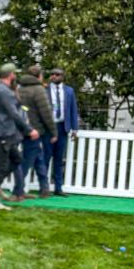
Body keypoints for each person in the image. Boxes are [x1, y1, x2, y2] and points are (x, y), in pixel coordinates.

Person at [0, 63, 39, 211]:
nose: (15, 76)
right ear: (11, 75)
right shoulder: (5, 92)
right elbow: (14, 114)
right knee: (1, 167)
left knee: (17, 159)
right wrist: (29, 130)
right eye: (14, 73)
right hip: (4, 134)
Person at [12, 65, 55, 199]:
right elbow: (45, 112)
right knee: (27, 160)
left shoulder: (19, 89)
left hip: (20, 128)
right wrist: (53, 131)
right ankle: (18, 190)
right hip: (34, 130)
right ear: (39, 76)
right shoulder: (39, 89)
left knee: (38, 158)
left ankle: (44, 188)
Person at [47, 68, 79, 196]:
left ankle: (58, 188)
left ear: (62, 76)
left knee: (59, 159)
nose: (54, 76)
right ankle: (44, 188)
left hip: (62, 127)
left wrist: (75, 129)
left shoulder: (69, 91)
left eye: (57, 74)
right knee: (45, 157)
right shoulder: (45, 89)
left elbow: (73, 110)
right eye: (52, 74)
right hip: (49, 128)